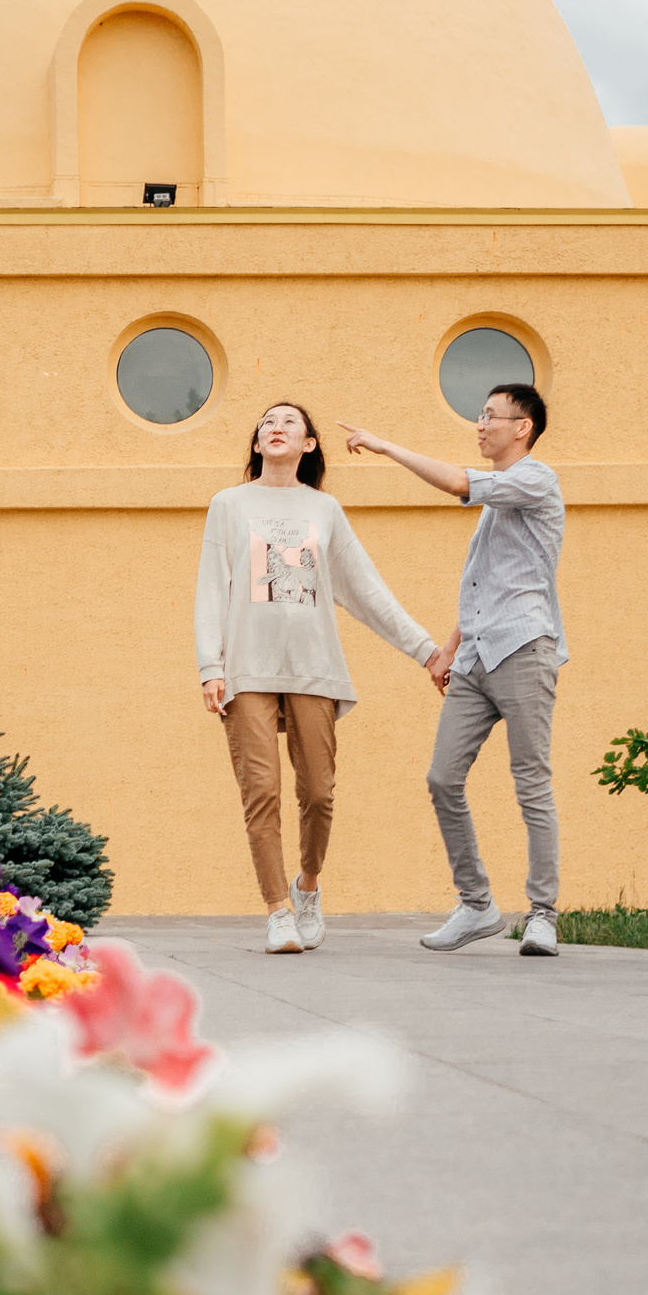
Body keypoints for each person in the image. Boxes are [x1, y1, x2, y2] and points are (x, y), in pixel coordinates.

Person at [196, 402, 452, 955]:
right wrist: (209, 666)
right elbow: (212, 587)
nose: (276, 427)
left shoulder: (325, 510)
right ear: (258, 443)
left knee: (318, 793)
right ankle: (277, 911)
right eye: (267, 422)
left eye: (289, 422)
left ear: (309, 443)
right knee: (260, 792)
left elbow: (367, 591)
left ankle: (307, 885)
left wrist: (427, 651)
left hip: (315, 667)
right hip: (248, 668)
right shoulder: (229, 505)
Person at [340, 385, 565, 956]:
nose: (481, 424)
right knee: (443, 778)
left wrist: (386, 446)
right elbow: (483, 587)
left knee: (531, 781)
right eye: (480, 415)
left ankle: (543, 914)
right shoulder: (498, 506)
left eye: (491, 416)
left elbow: (458, 482)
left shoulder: (536, 480)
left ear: (523, 427)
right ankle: (477, 904)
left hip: (524, 648)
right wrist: (446, 650)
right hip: (475, 660)